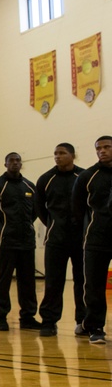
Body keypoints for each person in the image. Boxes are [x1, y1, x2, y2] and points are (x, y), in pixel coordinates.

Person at [0, 152, 41, 331]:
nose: (15, 163)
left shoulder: (29, 186)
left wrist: (26, 227)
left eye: (18, 160)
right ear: (5, 164)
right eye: (11, 161)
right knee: (2, 280)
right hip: (6, 242)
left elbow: (35, 211)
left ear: (21, 164)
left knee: (28, 281)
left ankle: (28, 317)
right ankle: (1, 316)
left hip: (27, 242)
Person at [35, 143, 84, 337]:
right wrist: (53, 224)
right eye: (55, 153)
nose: (58, 156)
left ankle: (83, 321)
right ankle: (49, 321)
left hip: (81, 238)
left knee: (82, 281)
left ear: (73, 155)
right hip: (56, 238)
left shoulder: (83, 177)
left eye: (62, 153)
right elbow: (39, 207)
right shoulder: (46, 179)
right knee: (54, 281)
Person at [73, 136, 112, 344]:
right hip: (96, 238)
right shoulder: (87, 176)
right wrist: (91, 227)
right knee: (94, 285)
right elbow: (78, 208)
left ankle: (89, 325)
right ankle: (95, 327)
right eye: (99, 148)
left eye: (107, 147)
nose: (102, 151)